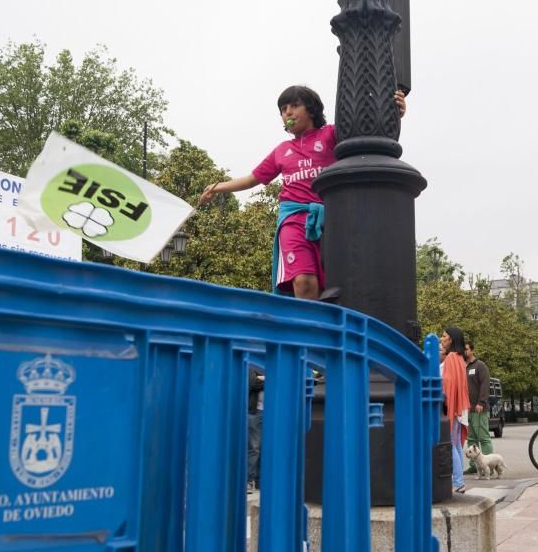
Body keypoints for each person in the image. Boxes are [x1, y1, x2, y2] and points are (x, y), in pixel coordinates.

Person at [198, 85, 405, 299]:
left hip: (333, 219)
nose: (288, 112)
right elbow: (252, 179)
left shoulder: (331, 134)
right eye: (283, 109)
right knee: (304, 280)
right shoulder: (281, 151)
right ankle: (310, 330)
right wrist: (217, 187)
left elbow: (364, 127)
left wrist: (394, 112)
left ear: (312, 110)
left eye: (295, 106)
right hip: (294, 219)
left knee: (341, 282)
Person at [439, 327, 470, 494]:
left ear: (451, 340)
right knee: (456, 443)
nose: (441, 338)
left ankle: (458, 481)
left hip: (453, 405)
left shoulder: (451, 357)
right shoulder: (459, 358)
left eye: (444, 336)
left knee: (451, 443)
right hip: (460, 405)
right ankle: (459, 480)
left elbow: (447, 382)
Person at [462, 337, 493, 473]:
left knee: (483, 438)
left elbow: (485, 385)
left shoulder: (480, 366)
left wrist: (481, 402)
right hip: (467, 409)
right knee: (471, 439)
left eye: (466, 349)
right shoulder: (464, 366)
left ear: (472, 350)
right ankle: (474, 466)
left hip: (479, 408)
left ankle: (490, 466)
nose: (464, 351)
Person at [247, 367, 264, 493]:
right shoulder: (254, 362)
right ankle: (249, 480)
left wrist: (262, 378)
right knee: (254, 446)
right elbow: (251, 382)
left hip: (273, 411)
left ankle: (260, 480)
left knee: (265, 447)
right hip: (255, 411)